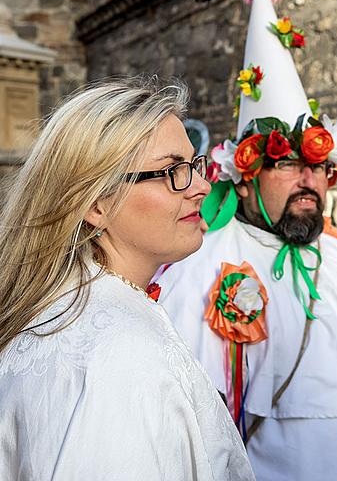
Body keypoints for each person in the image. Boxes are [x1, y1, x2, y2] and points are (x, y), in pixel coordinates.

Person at [158, 0, 337, 481]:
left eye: (317, 165)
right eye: (288, 164)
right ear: (243, 177)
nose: (309, 179)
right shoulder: (202, 271)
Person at [0, 77, 255, 481]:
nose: (202, 187)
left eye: (194, 165)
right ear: (96, 204)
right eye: (172, 171)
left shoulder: (73, 306)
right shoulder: (122, 357)